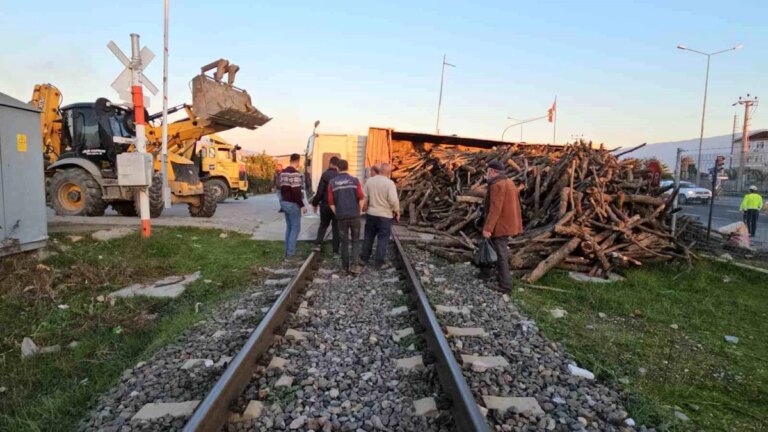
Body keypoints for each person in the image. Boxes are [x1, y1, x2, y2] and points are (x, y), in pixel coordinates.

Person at [481, 160, 523, 293]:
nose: (486, 174)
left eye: (488, 171)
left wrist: (488, 228)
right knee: (497, 251)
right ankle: (487, 275)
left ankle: (505, 286)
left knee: (501, 254)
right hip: (509, 223)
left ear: (493, 172)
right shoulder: (509, 182)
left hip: (501, 225)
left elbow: (495, 209)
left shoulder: (497, 185)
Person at [327, 159, 364, 274]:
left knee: (344, 241)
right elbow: (361, 197)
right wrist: (360, 210)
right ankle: (354, 265)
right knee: (355, 240)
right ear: (348, 167)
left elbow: (331, 202)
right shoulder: (355, 180)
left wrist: (337, 212)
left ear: (337, 168)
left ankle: (345, 266)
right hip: (354, 215)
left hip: (341, 216)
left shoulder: (332, 183)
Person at [361, 163, 400, 269]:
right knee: (382, 239)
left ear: (380, 170)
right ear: (388, 172)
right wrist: (397, 211)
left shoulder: (370, 181)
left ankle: (364, 259)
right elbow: (393, 200)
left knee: (368, 237)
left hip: (371, 214)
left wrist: (364, 208)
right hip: (385, 216)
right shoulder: (389, 183)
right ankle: (379, 263)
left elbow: (364, 197)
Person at [279, 154, 307, 257]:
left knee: (289, 227)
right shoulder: (295, 174)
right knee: (295, 228)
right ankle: (290, 252)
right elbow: (296, 192)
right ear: (298, 161)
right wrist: (302, 205)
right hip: (293, 204)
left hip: (285, 202)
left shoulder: (283, 173)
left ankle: (287, 251)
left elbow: (281, 189)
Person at [311, 156, 340, 253]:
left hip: (325, 205)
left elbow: (320, 192)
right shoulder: (340, 176)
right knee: (336, 228)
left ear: (330, 163)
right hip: (337, 206)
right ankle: (335, 250)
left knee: (323, 225)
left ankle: (318, 244)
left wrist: (314, 203)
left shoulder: (325, 175)